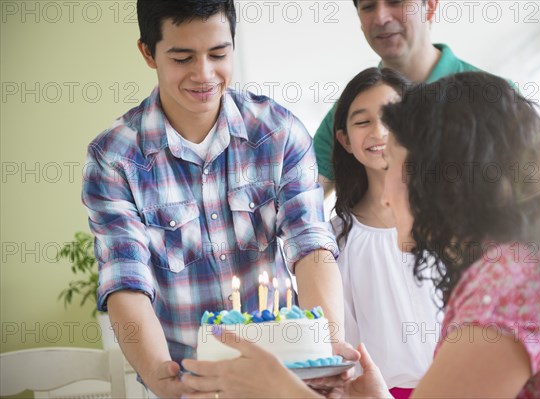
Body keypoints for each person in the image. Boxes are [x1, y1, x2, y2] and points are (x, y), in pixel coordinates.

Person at [180, 72, 540, 398]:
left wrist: (280, 390)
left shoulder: (511, 287)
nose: (386, 198)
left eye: (397, 163)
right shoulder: (528, 264)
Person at [81, 1, 355, 397]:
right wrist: (163, 377)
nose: (204, 74)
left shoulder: (278, 133)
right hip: (188, 379)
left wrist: (326, 350)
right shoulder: (115, 159)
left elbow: (311, 246)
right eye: (182, 57)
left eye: (218, 54)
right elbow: (126, 281)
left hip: (285, 378)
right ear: (148, 52)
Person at [331, 67, 439, 398]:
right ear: (345, 140)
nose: (379, 131)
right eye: (362, 122)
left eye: (391, 117)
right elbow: (345, 336)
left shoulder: (450, 219)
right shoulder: (336, 238)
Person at [314, 0, 481, 198]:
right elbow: (301, 202)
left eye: (396, 2)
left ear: (430, 6)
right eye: (368, 7)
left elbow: (522, 203)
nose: (381, 18)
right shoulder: (349, 109)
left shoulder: (493, 97)